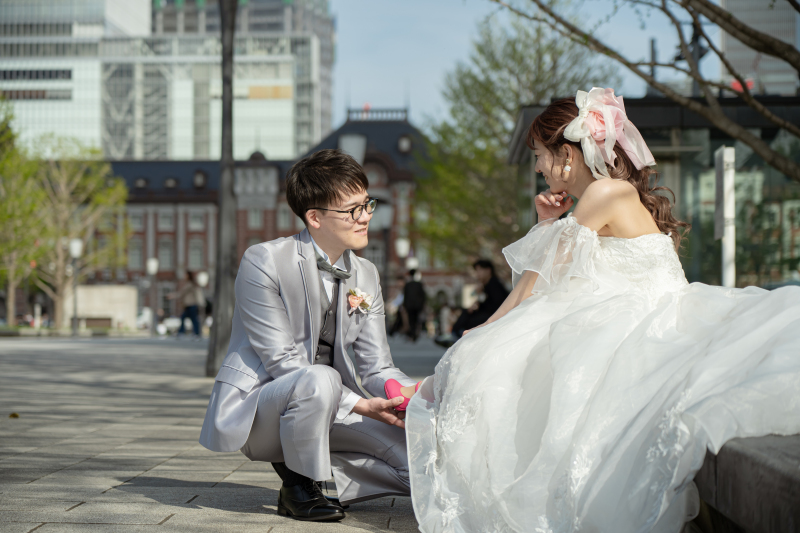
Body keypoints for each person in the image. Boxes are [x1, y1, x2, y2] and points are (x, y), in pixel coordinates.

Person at [393, 88, 800, 532]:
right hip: (635, 314)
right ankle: (426, 397)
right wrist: (547, 230)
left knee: (500, 353)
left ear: (566, 155)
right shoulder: (605, 196)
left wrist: (487, 327)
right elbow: (550, 280)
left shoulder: (606, 192)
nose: (537, 167)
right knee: (507, 350)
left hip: (652, 320)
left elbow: (540, 281)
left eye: (539, 155)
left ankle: (427, 400)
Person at [199, 149, 417, 522]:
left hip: (336, 404)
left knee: (420, 464)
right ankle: (298, 486)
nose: (365, 217)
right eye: (353, 210)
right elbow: (283, 362)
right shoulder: (263, 260)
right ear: (314, 217)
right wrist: (361, 405)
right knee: (319, 377)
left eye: (368, 205)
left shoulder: (366, 275)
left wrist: (407, 395)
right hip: (264, 408)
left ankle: (333, 476)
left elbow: (377, 365)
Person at [168, 271, 205, 337]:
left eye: (185, 275)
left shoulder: (189, 285)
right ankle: (195, 333)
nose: (184, 276)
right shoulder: (190, 284)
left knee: (191, 319)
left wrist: (173, 296)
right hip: (189, 305)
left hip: (191, 305)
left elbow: (181, 293)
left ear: (188, 275)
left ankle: (191, 333)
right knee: (187, 318)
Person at [401, 269, 426, 342]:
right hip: (417, 306)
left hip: (409, 306)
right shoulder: (419, 284)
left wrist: (405, 305)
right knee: (416, 320)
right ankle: (415, 334)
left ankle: (412, 334)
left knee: (411, 320)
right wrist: (422, 304)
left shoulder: (407, 284)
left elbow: (405, 296)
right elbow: (423, 295)